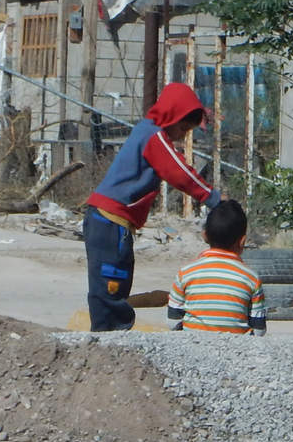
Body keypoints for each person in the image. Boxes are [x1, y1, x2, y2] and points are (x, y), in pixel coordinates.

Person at [83, 82, 221, 332]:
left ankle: (105, 334)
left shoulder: (145, 131)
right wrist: (213, 198)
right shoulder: (154, 136)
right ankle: (112, 336)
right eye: (183, 128)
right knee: (112, 283)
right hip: (111, 222)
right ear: (172, 116)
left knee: (109, 284)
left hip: (105, 220)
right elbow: (179, 172)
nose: (182, 135)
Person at [166, 199, 267, 336]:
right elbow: (259, 330)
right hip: (238, 347)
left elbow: (172, 322)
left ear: (204, 236)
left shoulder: (185, 273)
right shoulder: (252, 278)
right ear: (242, 241)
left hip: (193, 344)